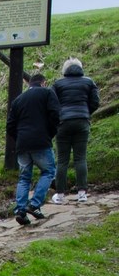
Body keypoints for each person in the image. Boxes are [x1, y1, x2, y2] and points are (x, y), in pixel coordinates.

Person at [6, 73, 59, 225]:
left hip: (22, 144)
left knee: (24, 178)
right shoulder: (48, 93)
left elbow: (10, 125)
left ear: (29, 84)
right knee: (48, 172)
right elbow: (55, 115)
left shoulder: (18, 100)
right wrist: (50, 133)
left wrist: (20, 138)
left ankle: (20, 210)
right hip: (41, 141)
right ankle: (34, 204)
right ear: (43, 83)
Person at [50, 57, 101, 203]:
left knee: (62, 160)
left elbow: (52, 104)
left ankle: (60, 195)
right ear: (80, 67)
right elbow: (95, 102)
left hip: (63, 123)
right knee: (80, 158)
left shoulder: (58, 84)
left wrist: (59, 117)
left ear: (64, 70)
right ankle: (82, 194)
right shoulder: (88, 82)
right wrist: (85, 113)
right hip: (82, 122)